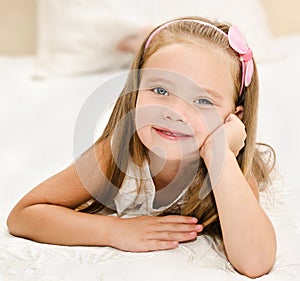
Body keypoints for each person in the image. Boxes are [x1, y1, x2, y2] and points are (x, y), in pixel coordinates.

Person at [7, 16, 277, 278]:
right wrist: (114, 231)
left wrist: (220, 154)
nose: (175, 113)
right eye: (160, 90)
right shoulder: (115, 155)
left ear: (234, 118)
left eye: (203, 101)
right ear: (134, 94)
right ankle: (139, 40)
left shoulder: (234, 169)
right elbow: (23, 215)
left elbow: (255, 263)